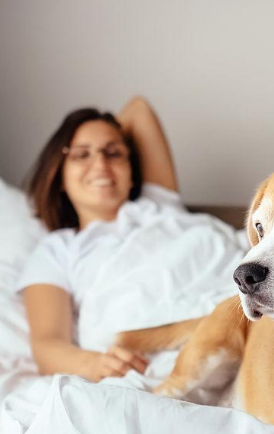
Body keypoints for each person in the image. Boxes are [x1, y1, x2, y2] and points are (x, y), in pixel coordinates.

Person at [18, 97, 181, 382]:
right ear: (60, 176)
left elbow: (138, 108)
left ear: (132, 173)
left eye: (113, 153)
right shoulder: (57, 249)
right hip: (152, 356)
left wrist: (100, 132)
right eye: (82, 155)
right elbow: (47, 344)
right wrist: (97, 364)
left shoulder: (159, 205)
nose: (100, 163)